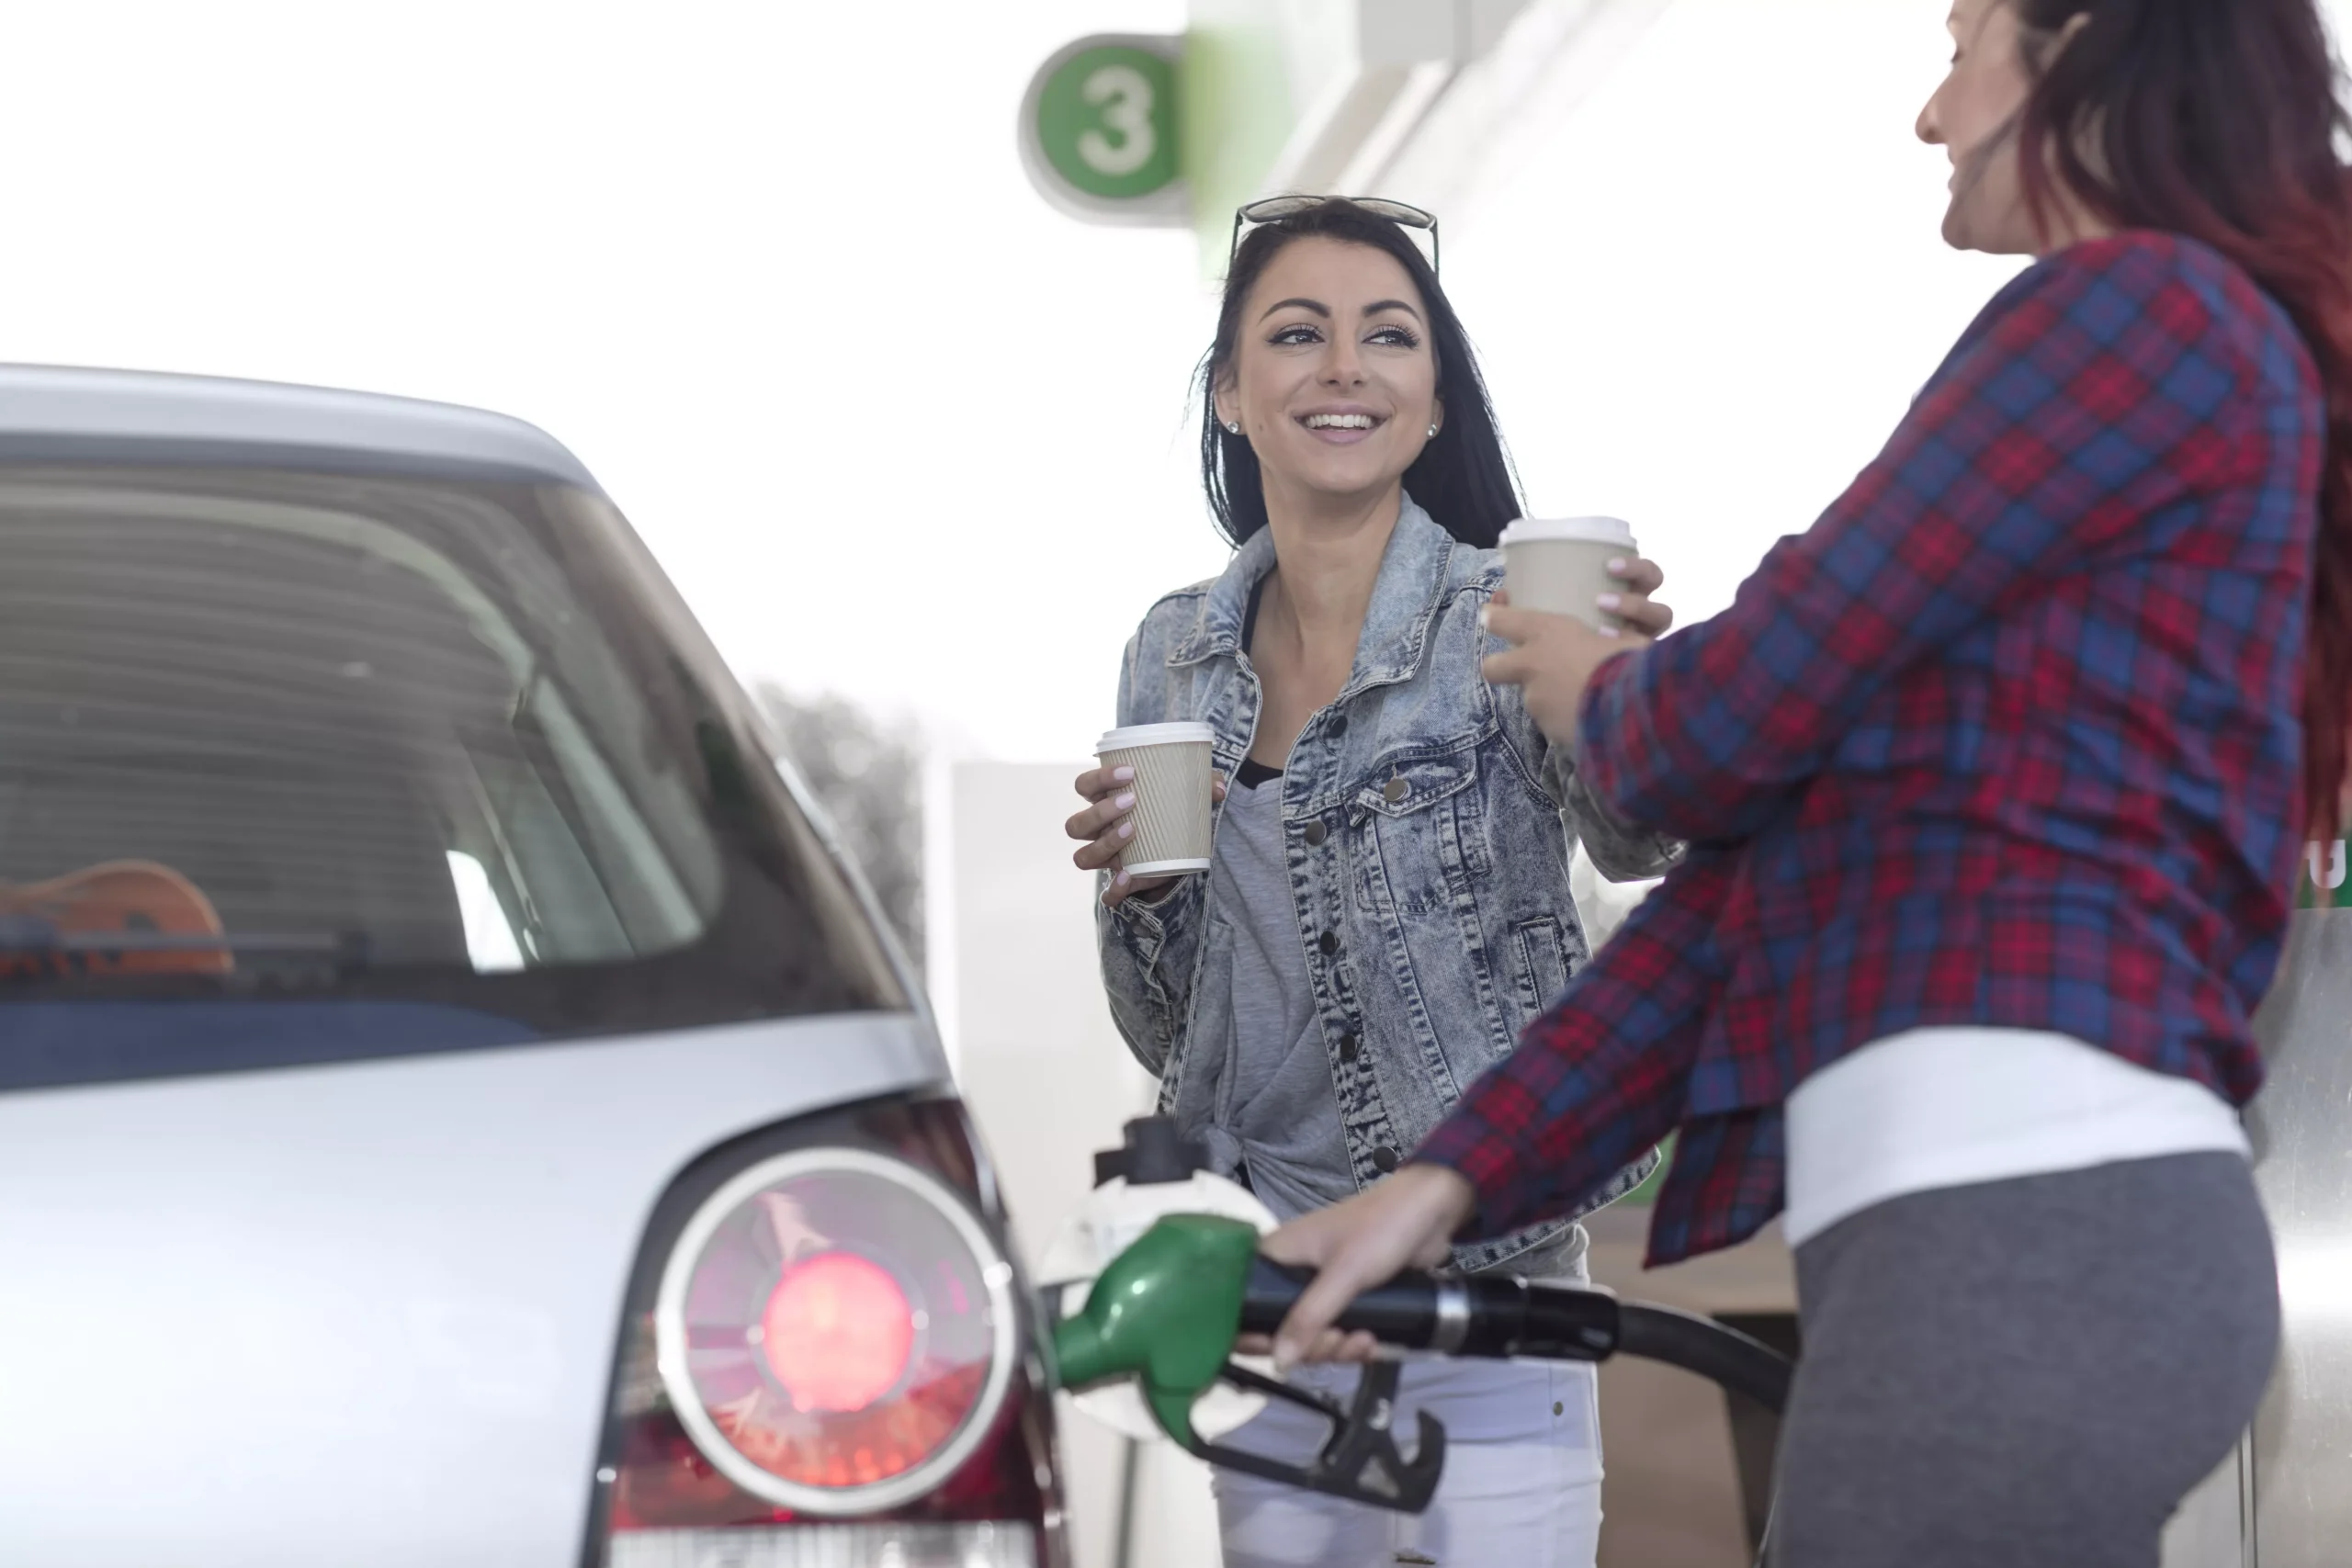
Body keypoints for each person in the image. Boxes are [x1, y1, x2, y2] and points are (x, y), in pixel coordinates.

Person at [1263, 4, 2352, 1565]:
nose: (1933, 113)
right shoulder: (2113, 438)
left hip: (2025, 1237)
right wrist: (1437, 1186)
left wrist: (1598, 691)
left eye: (1964, 40)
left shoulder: (2140, 310)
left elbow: (1722, 719)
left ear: (2087, 41)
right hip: (2000, 1245)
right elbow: (1734, 914)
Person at [1063, 197, 1678, 1567]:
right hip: (1269, 1292)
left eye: (1388, 336)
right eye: (1297, 334)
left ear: (1436, 398)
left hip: (1484, 1284)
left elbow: (1644, 845)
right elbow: (1172, 1027)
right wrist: (1135, 894)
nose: (1346, 366)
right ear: (1230, 392)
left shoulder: (1510, 611)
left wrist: (1630, 705)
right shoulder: (1171, 652)